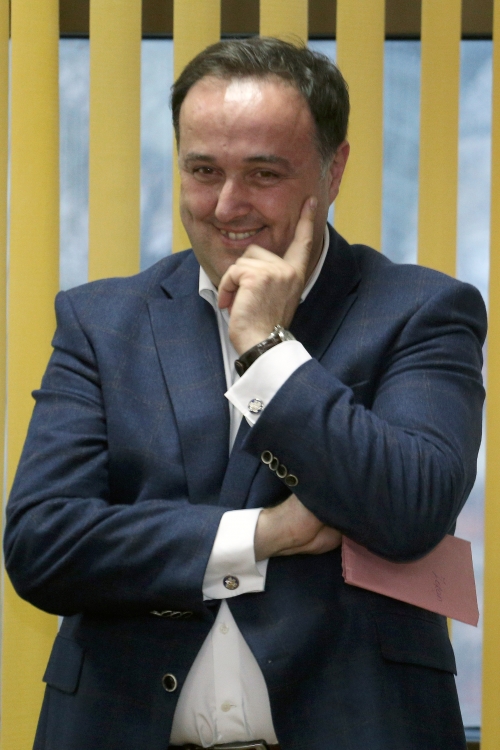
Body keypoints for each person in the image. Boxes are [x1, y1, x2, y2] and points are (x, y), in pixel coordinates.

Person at [4, 37, 486, 750]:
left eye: (263, 173)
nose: (228, 205)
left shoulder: (421, 310)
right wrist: (262, 535)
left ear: (333, 170)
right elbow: (43, 544)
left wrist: (264, 347)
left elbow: (409, 507)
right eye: (204, 170)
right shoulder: (101, 322)